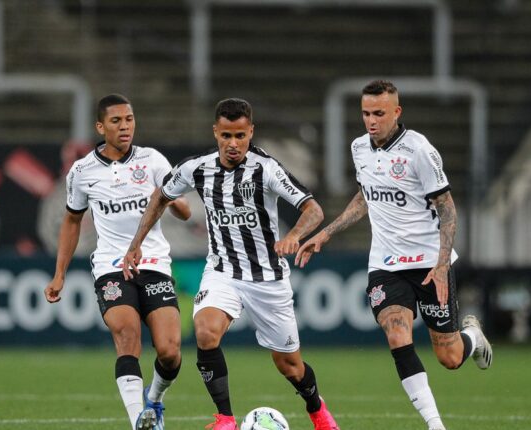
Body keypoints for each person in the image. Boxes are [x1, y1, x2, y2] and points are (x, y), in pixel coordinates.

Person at [122, 98, 339, 430]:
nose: (233, 144)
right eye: (226, 136)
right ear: (215, 132)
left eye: (240, 135)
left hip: (267, 278)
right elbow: (161, 195)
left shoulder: (266, 168)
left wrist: (294, 234)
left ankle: (317, 410)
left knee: (290, 366)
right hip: (223, 270)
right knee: (206, 332)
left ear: (251, 132)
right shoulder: (197, 167)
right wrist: (135, 244)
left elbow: (314, 210)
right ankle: (225, 418)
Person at [296, 80, 492, 430]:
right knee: (396, 332)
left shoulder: (419, 150)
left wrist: (443, 263)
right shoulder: (359, 147)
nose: (371, 121)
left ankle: (473, 338)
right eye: (366, 113)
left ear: (397, 112)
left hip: (429, 264)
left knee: (449, 356)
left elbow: (446, 207)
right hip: (385, 264)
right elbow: (366, 195)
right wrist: (326, 232)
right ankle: (436, 425)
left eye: (379, 114)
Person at [44, 94, 191, 430]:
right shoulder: (82, 172)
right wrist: (59, 274)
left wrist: (176, 204)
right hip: (111, 268)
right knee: (127, 336)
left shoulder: (153, 161)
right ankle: (139, 421)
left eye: (129, 119)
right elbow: (71, 220)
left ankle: (154, 400)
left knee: (169, 351)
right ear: (100, 126)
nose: (125, 126)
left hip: (154, 264)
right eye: (116, 121)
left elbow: (182, 208)